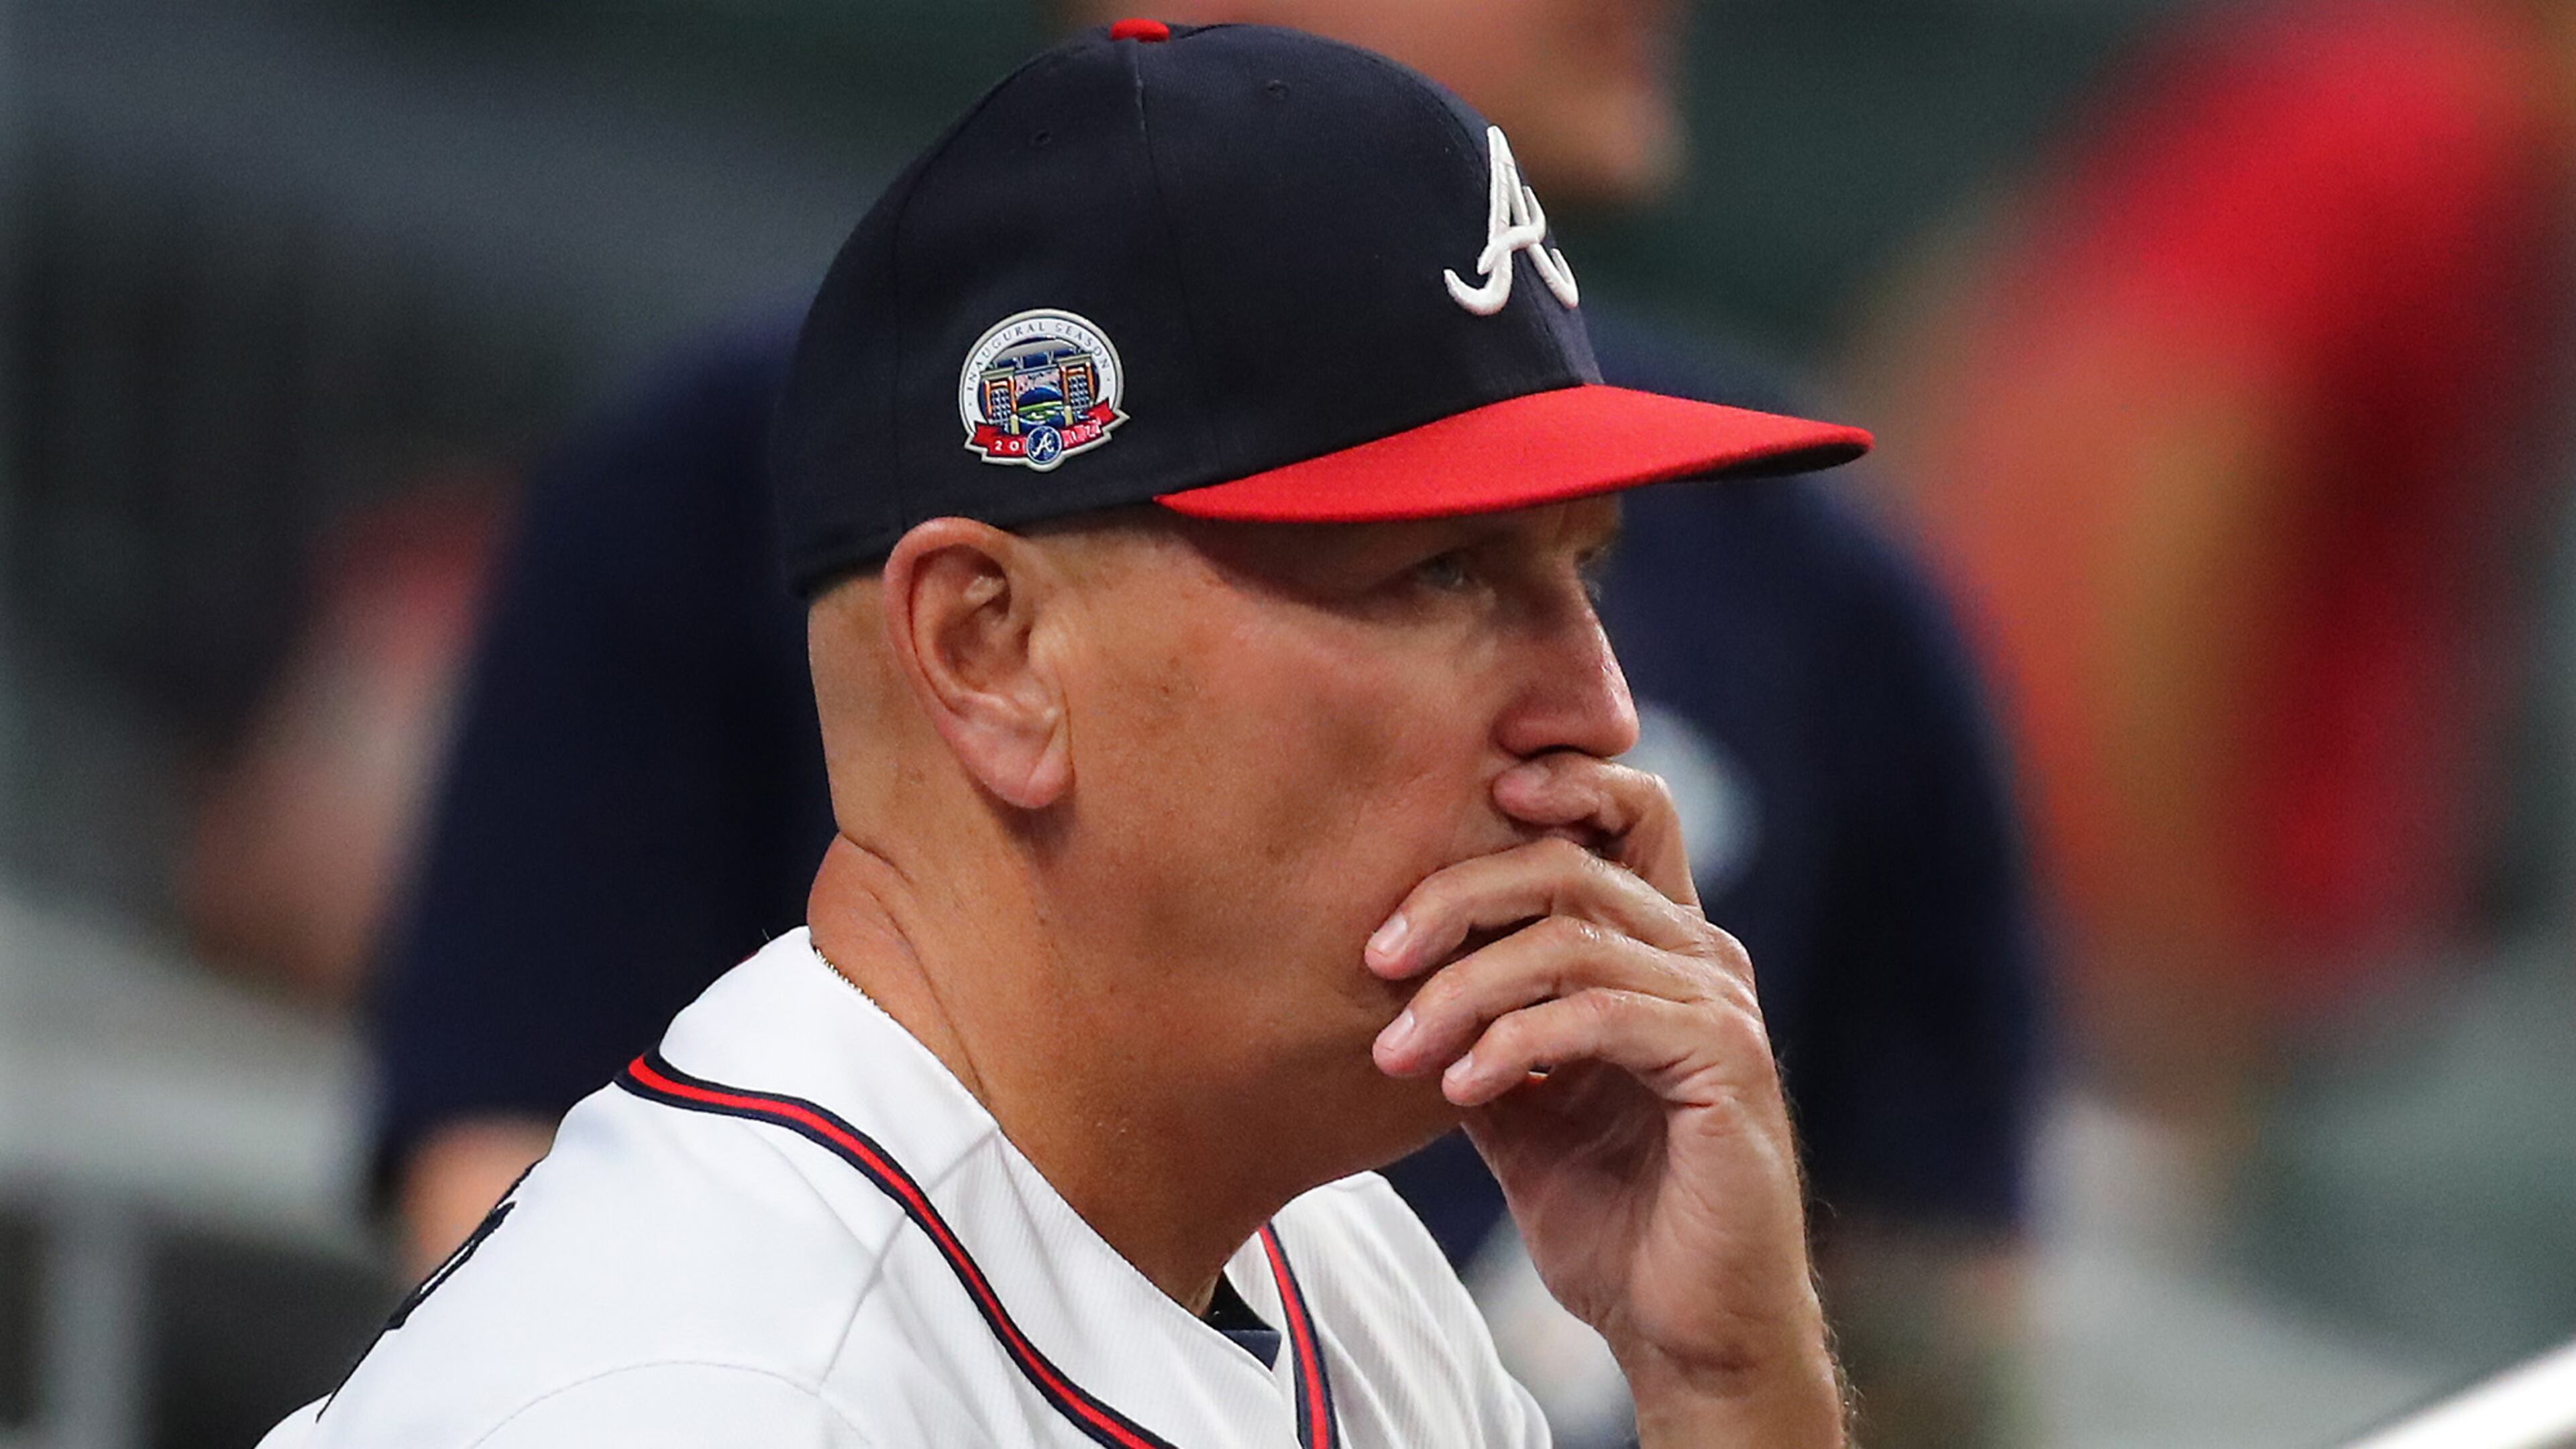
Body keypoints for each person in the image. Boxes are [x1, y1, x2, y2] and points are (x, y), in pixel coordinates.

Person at [376, 2, 2039, 1442]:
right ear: (992, 653)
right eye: (1445, 573)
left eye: (1582, 575)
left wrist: (1729, 1389)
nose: (1601, 712)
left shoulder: (1335, 1274)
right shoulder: (697, 1404)